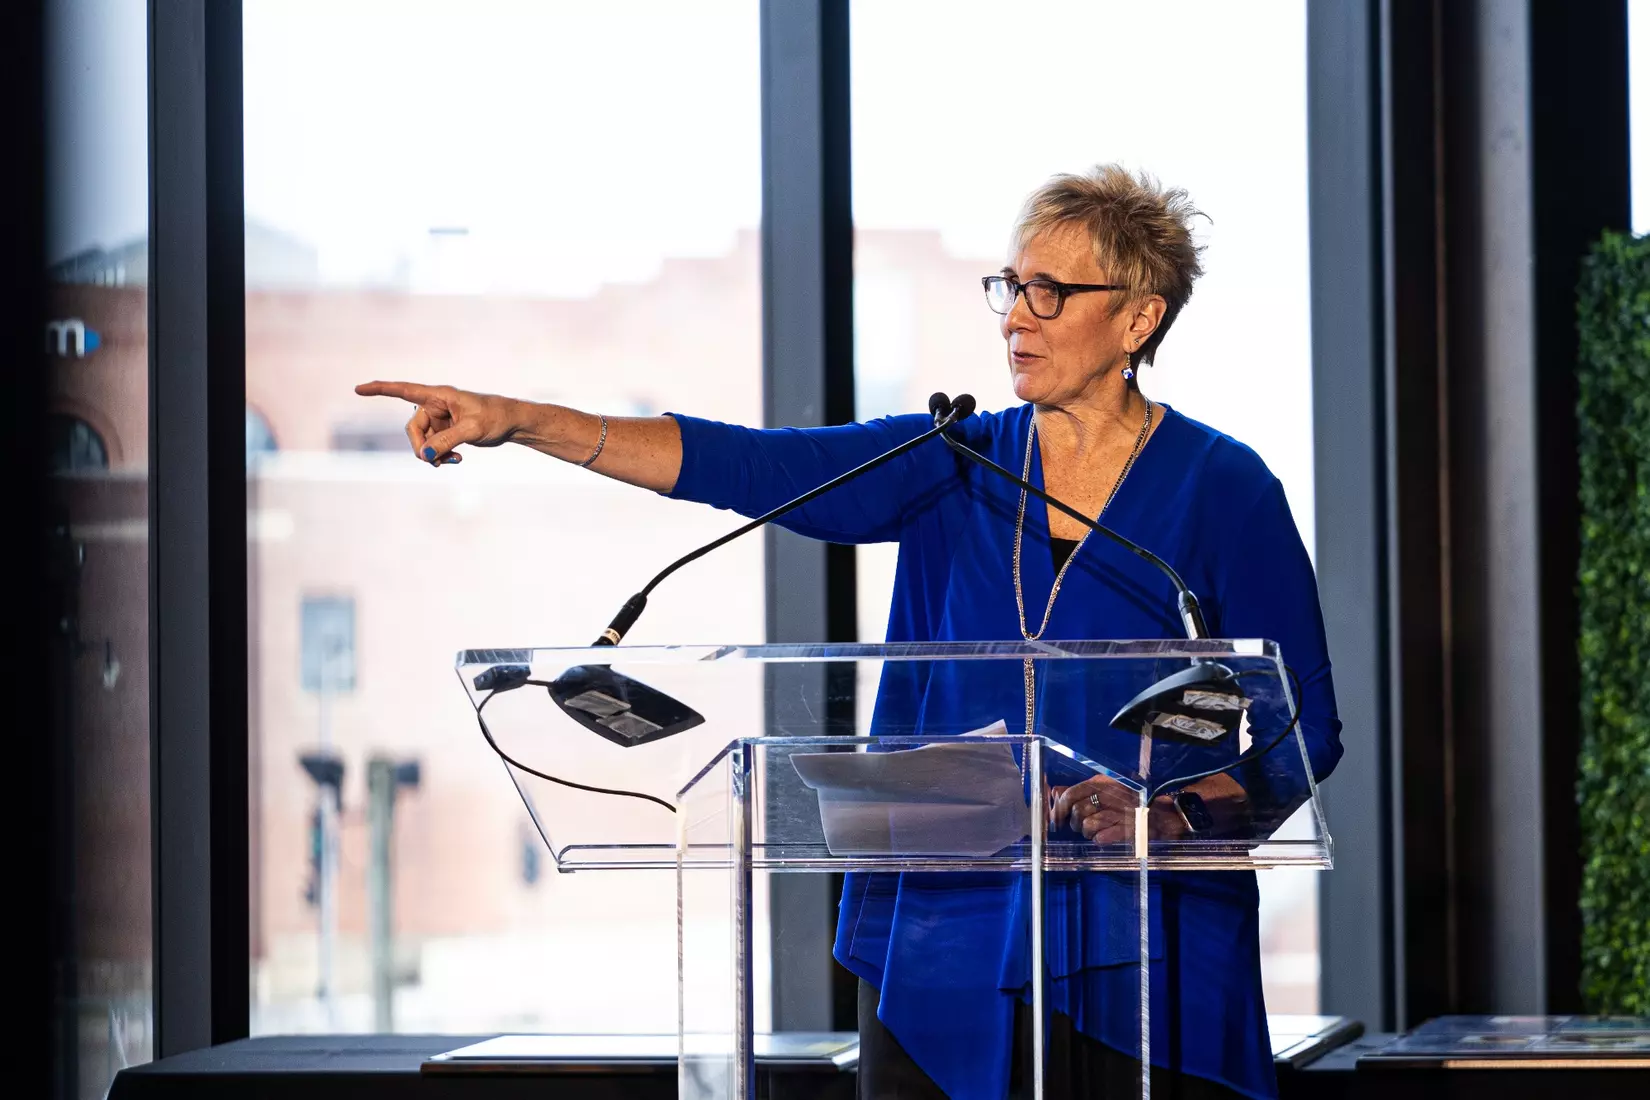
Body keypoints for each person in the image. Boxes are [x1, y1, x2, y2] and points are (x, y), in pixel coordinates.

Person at [358, 163, 1342, 1100]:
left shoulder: (1224, 488)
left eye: (1049, 292)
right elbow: (750, 465)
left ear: (1137, 317)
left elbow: (1303, 730)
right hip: (947, 936)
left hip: (1147, 948)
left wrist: (1174, 816)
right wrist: (518, 421)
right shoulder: (952, 459)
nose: (1015, 316)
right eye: (1010, 287)